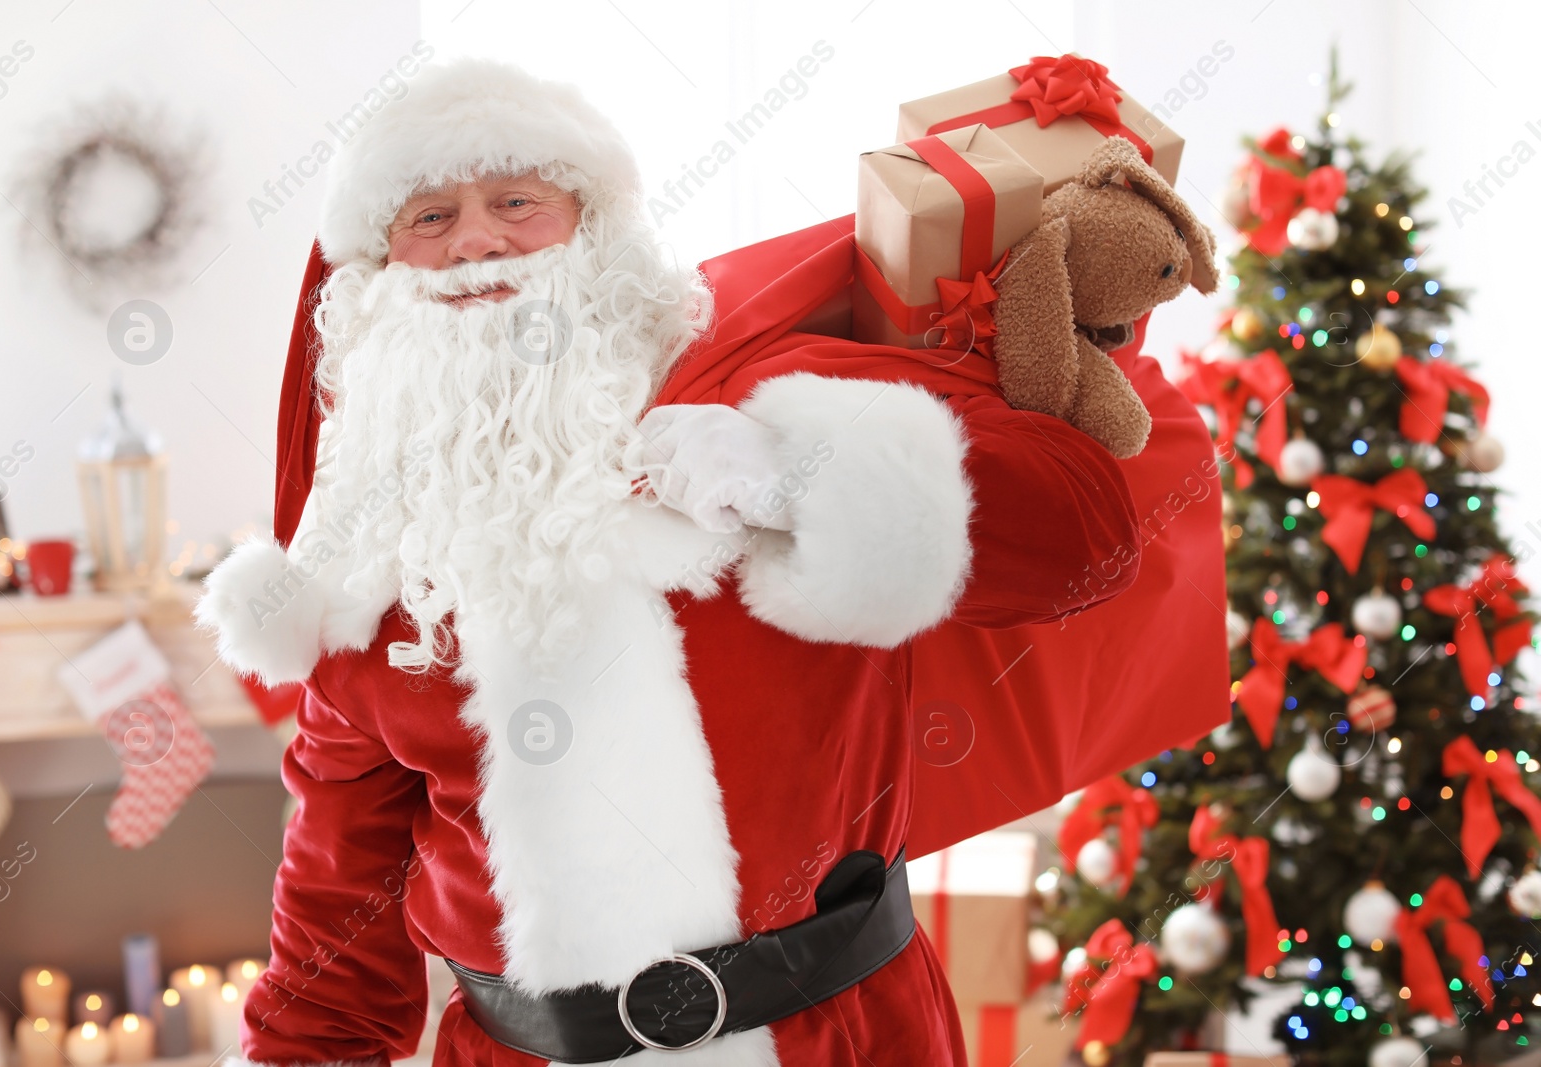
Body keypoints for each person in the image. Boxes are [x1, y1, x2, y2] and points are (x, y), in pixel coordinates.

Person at [198, 57, 1146, 1067]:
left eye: (516, 199)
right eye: (428, 218)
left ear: (594, 224)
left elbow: (1087, 543)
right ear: (380, 276)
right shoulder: (371, 568)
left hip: (839, 1039)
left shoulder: (765, 386)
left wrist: (794, 475)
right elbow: (334, 906)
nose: (475, 239)